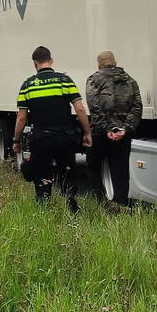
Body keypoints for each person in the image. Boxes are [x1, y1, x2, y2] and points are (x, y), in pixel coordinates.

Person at [13, 46, 92, 211]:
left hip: (41, 139)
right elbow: (80, 109)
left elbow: (21, 117)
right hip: (64, 138)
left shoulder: (28, 85)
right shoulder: (65, 80)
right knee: (67, 174)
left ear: (35, 63)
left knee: (41, 176)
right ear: (51, 60)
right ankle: (71, 207)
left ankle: (43, 210)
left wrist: (17, 140)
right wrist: (87, 132)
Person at [85, 50, 142, 206]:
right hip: (123, 136)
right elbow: (137, 107)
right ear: (115, 63)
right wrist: (124, 129)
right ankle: (121, 203)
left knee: (93, 166)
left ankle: (101, 202)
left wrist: (108, 128)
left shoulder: (94, 80)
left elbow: (94, 107)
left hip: (100, 134)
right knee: (121, 171)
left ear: (99, 64)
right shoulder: (130, 81)